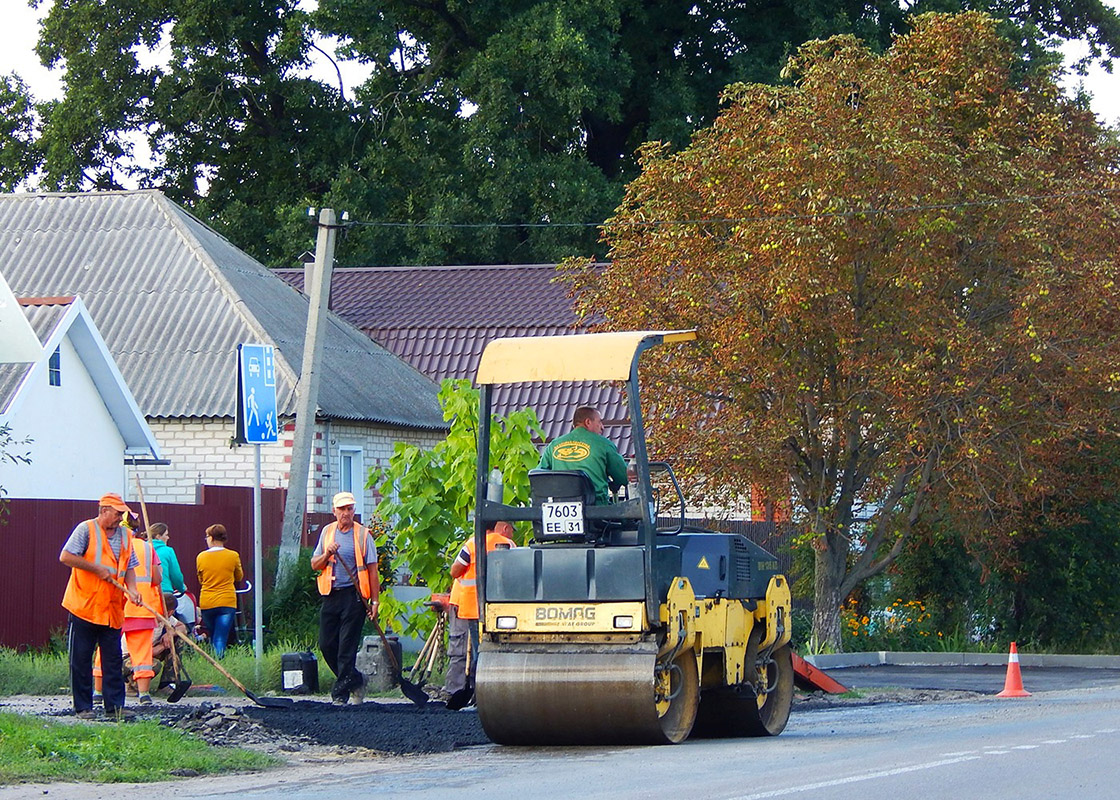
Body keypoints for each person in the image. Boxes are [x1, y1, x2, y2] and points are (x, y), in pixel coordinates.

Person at [59, 493, 143, 719]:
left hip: (112, 608)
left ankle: (115, 707)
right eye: (116, 513)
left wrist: (133, 589)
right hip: (85, 605)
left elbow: (131, 567)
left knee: (113, 659)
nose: (119, 518)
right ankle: (84, 708)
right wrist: (96, 569)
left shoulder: (126, 535)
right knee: (81, 659)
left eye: (121, 514)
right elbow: (66, 557)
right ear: (104, 510)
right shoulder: (85, 530)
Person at [310, 491, 380, 705]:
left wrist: (375, 602)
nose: (346, 513)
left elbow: (372, 570)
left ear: (354, 511)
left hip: (355, 596)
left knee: (346, 647)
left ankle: (340, 694)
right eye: (342, 509)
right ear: (334, 511)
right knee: (326, 644)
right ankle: (356, 679)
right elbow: (315, 564)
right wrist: (327, 554)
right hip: (331, 595)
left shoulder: (362, 535)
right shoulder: (327, 532)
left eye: (349, 509)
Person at [444, 520, 517, 703]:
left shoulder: (472, 544)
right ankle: (487, 692)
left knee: (468, 650)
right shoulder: (509, 545)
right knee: (489, 650)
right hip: (498, 608)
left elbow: (455, 571)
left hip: (469, 606)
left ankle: (469, 693)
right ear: (504, 528)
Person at [93, 527, 163, 705]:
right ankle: (144, 694)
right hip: (141, 605)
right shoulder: (148, 548)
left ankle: (98, 691)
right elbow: (157, 578)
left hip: (113, 605)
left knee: (104, 649)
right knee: (141, 652)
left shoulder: (111, 545)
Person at [537, 406, 629, 504]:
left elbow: (538, 476)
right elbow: (624, 477)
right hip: (596, 510)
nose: (602, 427)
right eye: (599, 422)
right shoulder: (604, 444)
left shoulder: (554, 445)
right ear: (588, 422)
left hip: (561, 509)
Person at [195, 523, 244, 657]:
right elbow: (239, 576)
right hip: (226, 601)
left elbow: (201, 579)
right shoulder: (233, 555)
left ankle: (214, 663)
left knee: (213, 635)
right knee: (221, 637)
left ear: (211, 538)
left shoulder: (201, 557)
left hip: (207, 601)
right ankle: (219, 664)